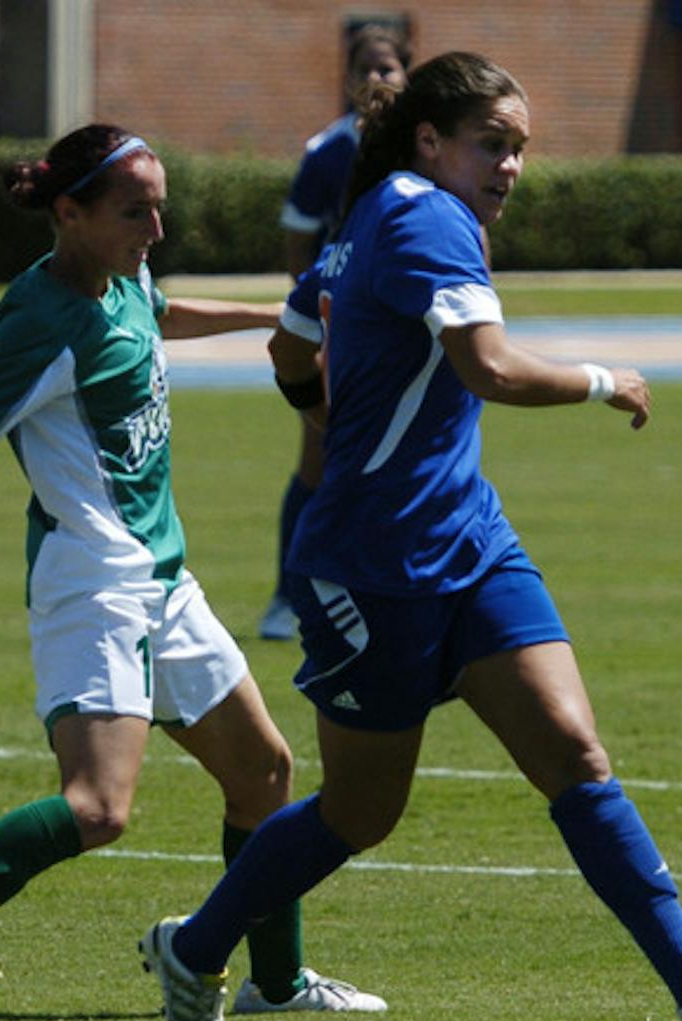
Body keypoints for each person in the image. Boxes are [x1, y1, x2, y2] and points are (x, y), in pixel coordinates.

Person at [138, 52, 682, 1021]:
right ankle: (195, 952)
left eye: (521, 148)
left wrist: (325, 421)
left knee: (575, 753)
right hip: (372, 566)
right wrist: (603, 380)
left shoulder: (370, 215)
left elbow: (291, 345)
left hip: (470, 541)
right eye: (492, 144)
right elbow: (485, 368)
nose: (511, 167)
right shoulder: (427, 219)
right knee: (361, 812)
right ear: (431, 141)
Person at [0, 124, 385, 1021]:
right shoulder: (39, 318)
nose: (155, 229)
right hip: (91, 586)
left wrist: (272, 316)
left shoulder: (122, 278)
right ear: (69, 212)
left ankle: (277, 980)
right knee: (97, 807)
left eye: (158, 208)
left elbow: (158, 312)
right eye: (136, 211)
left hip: (163, 578)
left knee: (264, 771)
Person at [258, 24, 413, 641]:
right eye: (365, 68)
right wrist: (317, 313)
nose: (376, 79)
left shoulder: (427, 145)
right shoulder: (329, 151)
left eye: (388, 68)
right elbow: (300, 236)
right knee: (320, 459)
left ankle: (388, 593)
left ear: (408, 75)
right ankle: (287, 596)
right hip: (342, 328)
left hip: (405, 330)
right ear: (347, 79)